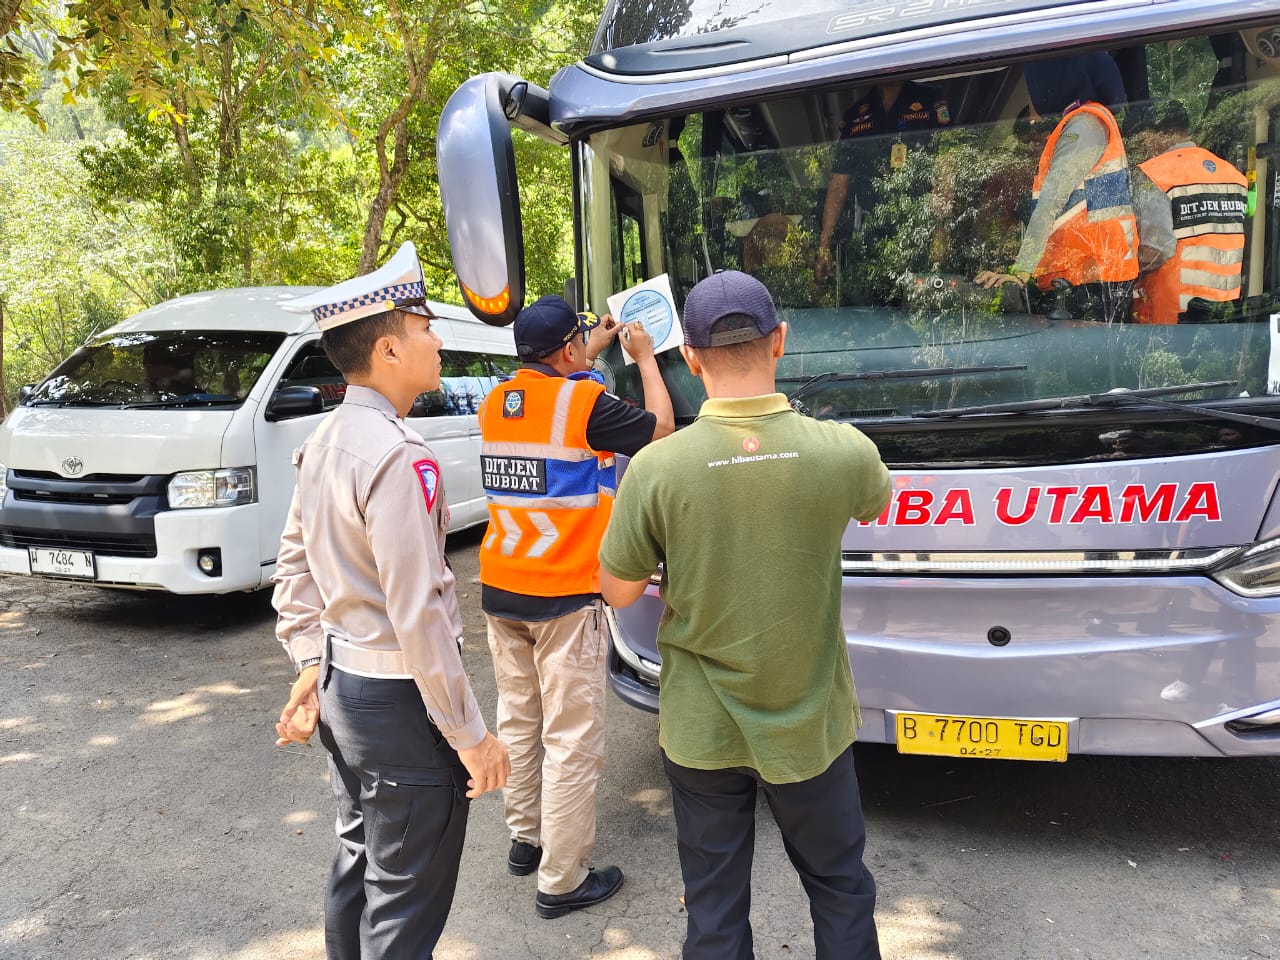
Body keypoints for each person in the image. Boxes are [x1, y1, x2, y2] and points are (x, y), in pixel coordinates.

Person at [599, 270, 892, 960]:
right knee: (841, 887)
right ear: (780, 342)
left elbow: (615, 591)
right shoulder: (843, 450)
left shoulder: (656, 468)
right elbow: (877, 503)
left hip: (702, 728)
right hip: (811, 723)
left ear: (692, 359)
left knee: (715, 906)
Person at [271, 241, 510, 960]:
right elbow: (419, 616)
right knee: (404, 902)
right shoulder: (396, 456)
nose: (438, 340)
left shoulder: (327, 439)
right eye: (425, 327)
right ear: (388, 350)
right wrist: (472, 736)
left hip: (347, 693)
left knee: (360, 864)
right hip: (400, 705)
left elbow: (295, 572)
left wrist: (312, 664)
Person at [477, 294, 674, 919]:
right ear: (567, 350)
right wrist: (642, 358)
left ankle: (525, 840)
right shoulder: (584, 403)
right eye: (578, 343)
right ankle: (561, 882)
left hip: (501, 587)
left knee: (519, 717)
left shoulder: (496, 402)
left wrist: (588, 347)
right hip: (561, 594)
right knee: (572, 737)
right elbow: (661, 432)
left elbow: (551, 388)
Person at [975, 52, 1139, 323]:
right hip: (1094, 274)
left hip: (1089, 279)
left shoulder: (1084, 124)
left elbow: (1051, 200)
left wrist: (1020, 273)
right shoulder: (1091, 121)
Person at [816, 81, 951, 281]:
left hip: (919, 231)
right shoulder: (855, 114)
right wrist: (824, 244)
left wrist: (940, 228)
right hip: (871, 237)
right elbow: (839, 182)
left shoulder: (931, 99)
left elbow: (946, 163)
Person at [1129, 100, 1248, 324]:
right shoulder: (1232, 174)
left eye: (1142, 137)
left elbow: (1156, 249)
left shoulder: (1155, 173)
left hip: (1174, 312)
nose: (1143, 146)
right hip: (1223, 308)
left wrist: (1124, 271)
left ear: (1159, 133)